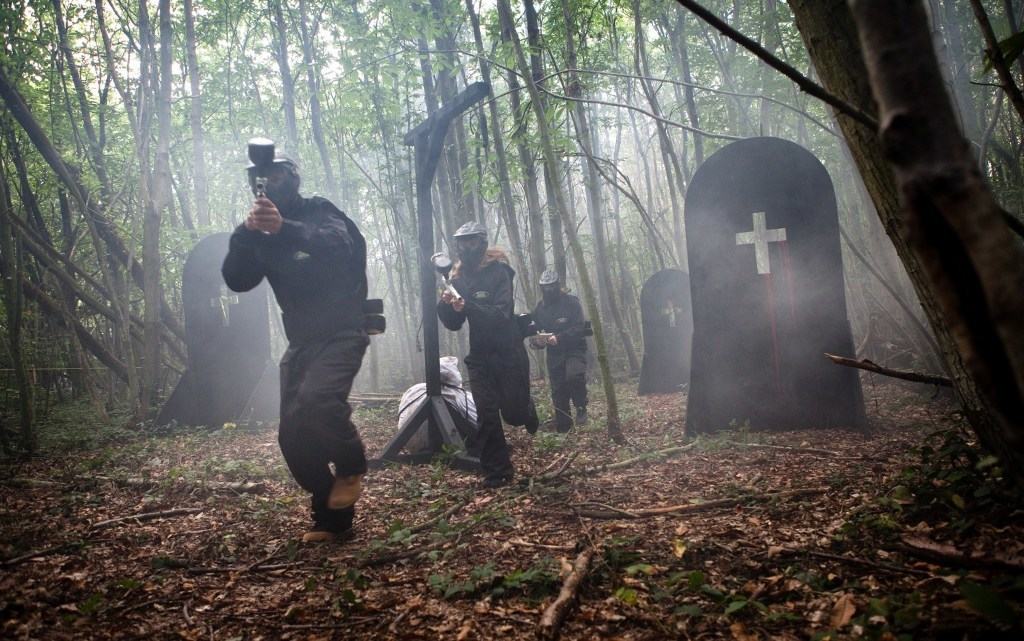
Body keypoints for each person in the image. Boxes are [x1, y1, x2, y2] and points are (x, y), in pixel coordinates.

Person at [222, 149, 369, 543]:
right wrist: (245, 235)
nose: (267, 180)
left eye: (275, 173)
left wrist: (284, 227)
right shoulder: (257, 234)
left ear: (293, 176)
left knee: (318, 401)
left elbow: (341, 245)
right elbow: (237, 280)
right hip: (301, 341)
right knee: (293, 436)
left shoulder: (319, 211)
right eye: (258, 175)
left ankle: (352, 465)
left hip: (343, 332)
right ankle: (332, 520)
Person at [437, 222, 538, 487]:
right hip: (480, 356)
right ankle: (498, 472)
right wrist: (446, 304)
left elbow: (501, 315)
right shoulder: (457, 279)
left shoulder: (499, 273)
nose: (465, 247)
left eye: (471, 241)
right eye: (461, 242)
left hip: (508, 352)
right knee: (486, 412)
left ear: (481, 242)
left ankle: (527, 408)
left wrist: (468, 306)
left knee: (514, 415)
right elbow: (453, 323)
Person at [530, 270, 588, 432]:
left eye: (552, 287)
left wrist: (560, 337)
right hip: (554, 354)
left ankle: (581, 406)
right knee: (558, 390)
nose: (549, 291)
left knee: (574, 375)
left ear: (557, 286)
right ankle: (564, 427)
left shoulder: (571, 302)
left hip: (574, 349)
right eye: (545, 287)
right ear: (542, 287)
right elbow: (533, 333)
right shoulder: (540, 309)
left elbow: (580, 327)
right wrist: (538, 341)